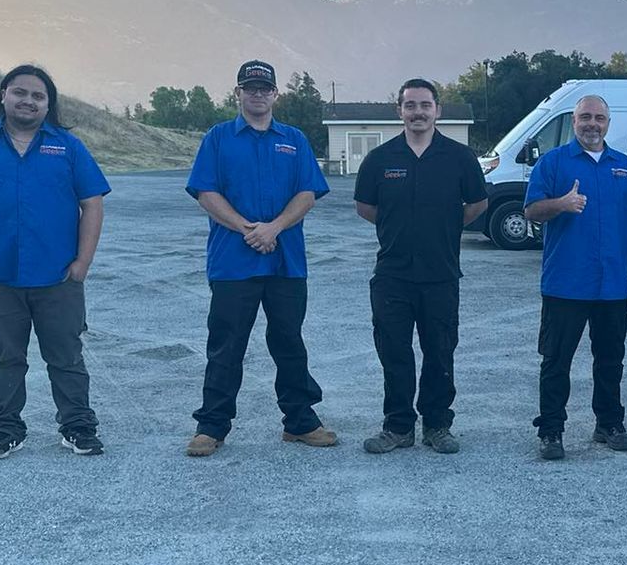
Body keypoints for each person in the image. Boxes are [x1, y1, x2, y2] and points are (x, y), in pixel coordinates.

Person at [0, 64, 111, 460]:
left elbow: (92, 203)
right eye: (21, 92)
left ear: (49, 105)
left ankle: (78, 427)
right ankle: (5, 430)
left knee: (66, 357)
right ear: (3, 95)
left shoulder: (67, 147)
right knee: (3, 360)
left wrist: (82, 263)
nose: (28, 101)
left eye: (38, 96)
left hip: (58, 277)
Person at [182, 60, 334, 457]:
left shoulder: (294, 140)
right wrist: (248, 229)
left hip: (286, 262)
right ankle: (211, 426)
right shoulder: (218, 138)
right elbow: (206, 193)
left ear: (275, 95)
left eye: (264, 88)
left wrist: (275, 228)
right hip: (233, 262)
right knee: (226, 345)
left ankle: (300, 422)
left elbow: (307, 193)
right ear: (238, 93)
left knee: (289, 342)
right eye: (250, 87)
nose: (258, 94)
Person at [523, 95, 627, 460]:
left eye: (599, 117)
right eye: (585, 117)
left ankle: (609, 424)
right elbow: (532, 209)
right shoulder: (553, 163)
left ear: (608, 123)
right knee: (556, 360)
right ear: (574, 120)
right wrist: (561, 204)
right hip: (565, 283)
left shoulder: (626, 168)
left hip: (612, 284)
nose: (592, 124)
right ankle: (551, 431)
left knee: (611, 358)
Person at [353, 79, 489, 454]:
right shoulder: (380, 159)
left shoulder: (460, 158)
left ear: (437, 111)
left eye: (425, 105)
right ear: (399, 111)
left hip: (441, 275)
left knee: (440, 353)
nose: (418, 112)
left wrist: (444, 225)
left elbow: (477, 204)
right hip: (392, 276)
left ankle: (437, 425)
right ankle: (397, 427)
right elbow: (366, 208)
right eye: (410, 105)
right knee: (394, 354)